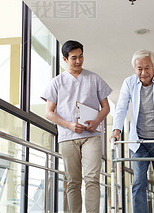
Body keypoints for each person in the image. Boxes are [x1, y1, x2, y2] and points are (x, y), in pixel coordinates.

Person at [41, 40, 112, 213]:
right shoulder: (56, 82)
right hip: (67, 136)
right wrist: (69, 125)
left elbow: (106, 107)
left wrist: (96, 122)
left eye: (81, 57)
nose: (79, 61)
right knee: (73, 181)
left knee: (92, 179)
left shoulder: (94, 78)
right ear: (65, 59)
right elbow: (49, 112)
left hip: (91, 136)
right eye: (74, 58)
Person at [110, 49, 154, 213]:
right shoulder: (128, 82)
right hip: (139, 142)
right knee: (138, 184)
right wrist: (116, 131)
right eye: (139, 69)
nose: (143, 72)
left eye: (147, 68)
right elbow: (121, 107)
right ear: (134, 69)